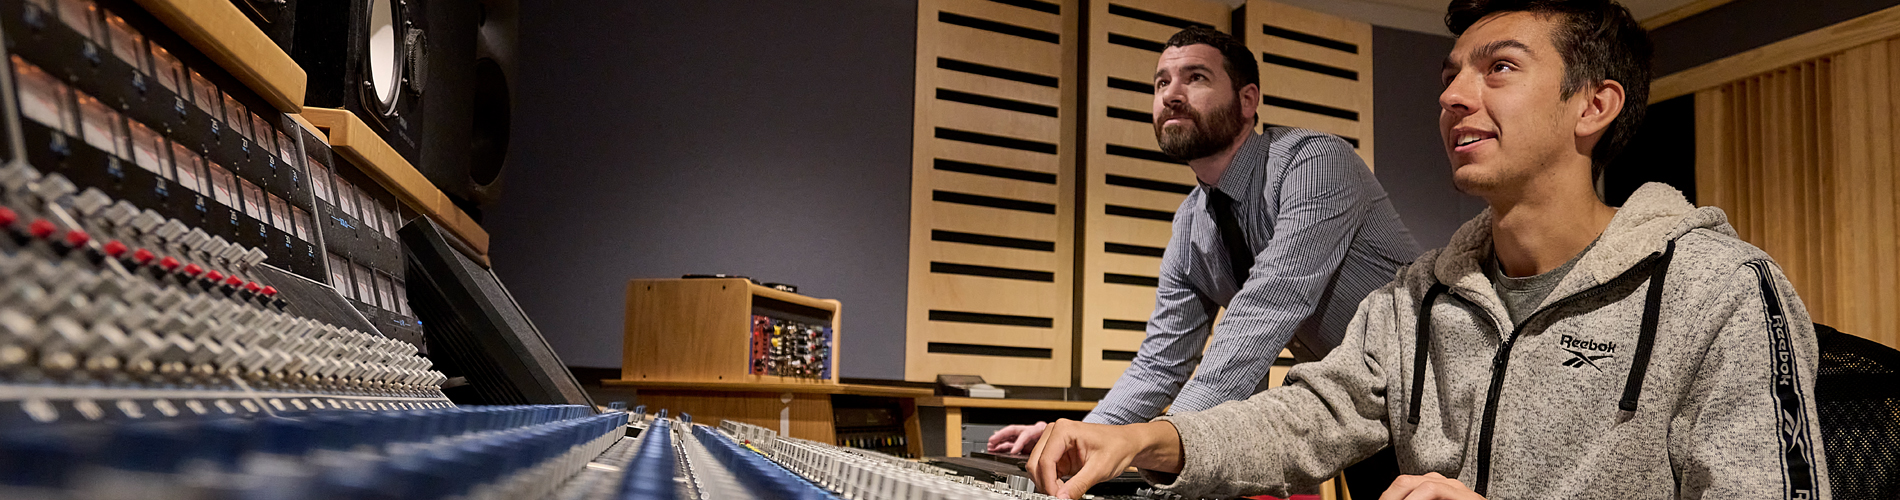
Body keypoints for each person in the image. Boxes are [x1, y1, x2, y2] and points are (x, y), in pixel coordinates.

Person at [1025, 1, 1830, 499]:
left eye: (1499, 68)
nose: (1451, 95)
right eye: (1450, 76)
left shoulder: (1721, 290)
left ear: (1594, 105)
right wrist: (1138, 441)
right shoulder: (1416, 301)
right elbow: (1306, 412)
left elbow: (1263, 315)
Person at [987, 25, 1421, 487]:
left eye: (1195, 78)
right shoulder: (1191, 223)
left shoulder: (1314, 162)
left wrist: (1155, 440)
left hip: (1435, 400)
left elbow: (1265, 309)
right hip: (1360, 414)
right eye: (1161, 83)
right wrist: (1079, 438)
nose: (1172, 95)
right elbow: (1160, 362)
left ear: (1248, 100)